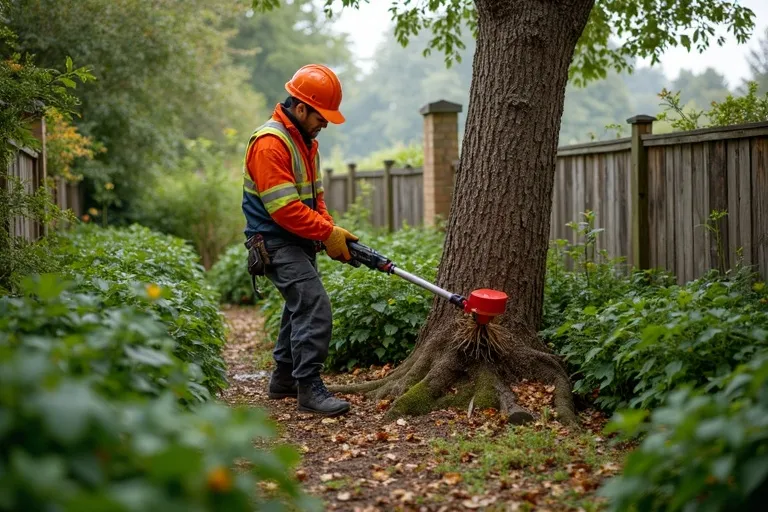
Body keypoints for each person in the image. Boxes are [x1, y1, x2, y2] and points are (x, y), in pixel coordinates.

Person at [241, 64, 358, 417]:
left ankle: (284, 380)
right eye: (321, 116)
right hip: (275, 241)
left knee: (299, 307)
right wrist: (325, 233)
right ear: (301, 107)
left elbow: (315, 199)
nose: (325, 123)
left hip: (299, 240)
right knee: (313, 306)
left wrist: (331, 232)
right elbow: (285, 210)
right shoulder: (270, 143)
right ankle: (309, 387)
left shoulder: (306, 143)